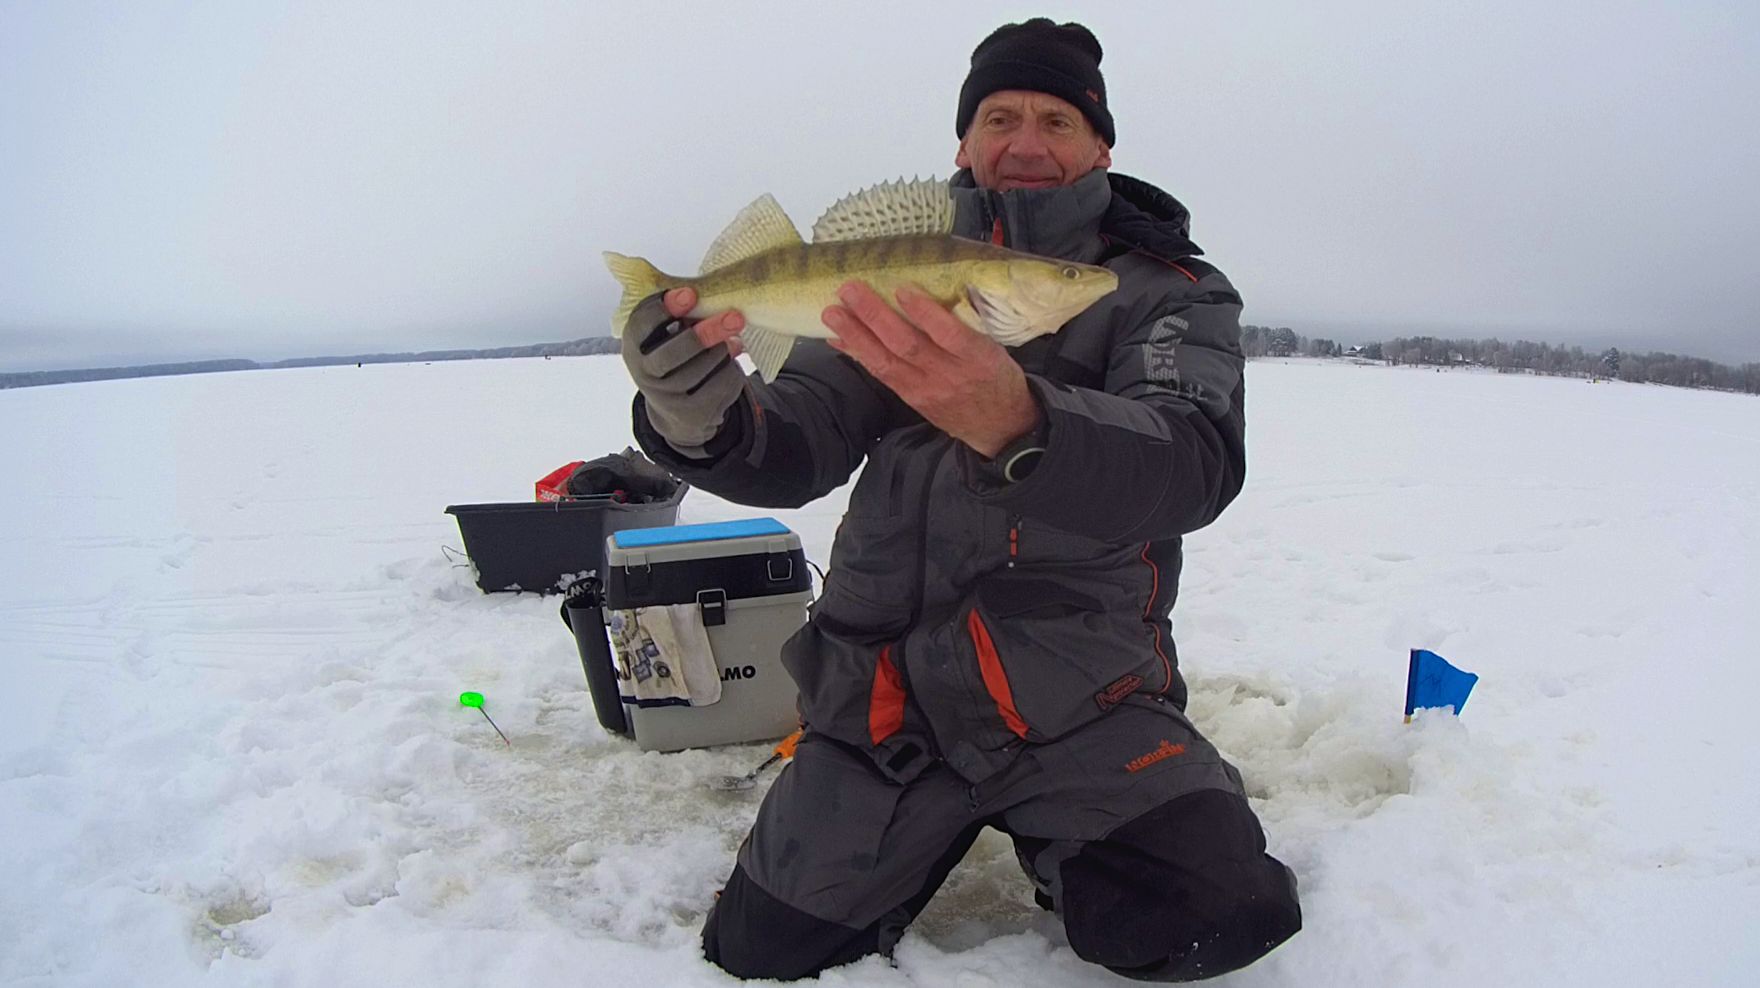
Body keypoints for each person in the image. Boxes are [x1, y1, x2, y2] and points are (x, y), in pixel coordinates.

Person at [620, 17, 1301, 982]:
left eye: (1058, 121)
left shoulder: (1164, 291)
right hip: (883, 698)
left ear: (1101, 149)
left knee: (1217, 913)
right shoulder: (895, 268)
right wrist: (697, 413)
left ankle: (1086, 829)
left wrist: (1024, 421)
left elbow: (1190, 463)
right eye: (1000, 117)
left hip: (1082, 694)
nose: (1027, 142)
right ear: (964, 143)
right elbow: (799, 439)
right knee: (762, 955)